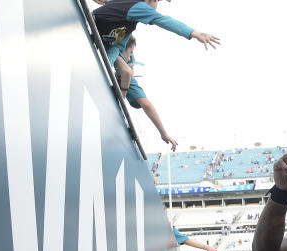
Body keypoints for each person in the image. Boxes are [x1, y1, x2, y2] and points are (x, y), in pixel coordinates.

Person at [92, 0, 220, 69]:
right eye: (157, 1)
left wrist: (105, 66)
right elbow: (164, 20)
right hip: (90, 26)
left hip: (95, 39)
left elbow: (117, 47)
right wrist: (195, 33)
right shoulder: (138, 6)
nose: (156, 6)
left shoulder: (130, 24)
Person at [115, 37, 181, 150]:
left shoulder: (110, 53)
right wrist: (164, 133)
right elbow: (146, 105)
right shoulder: (125, 75)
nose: (130, 57)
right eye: (130, 53)